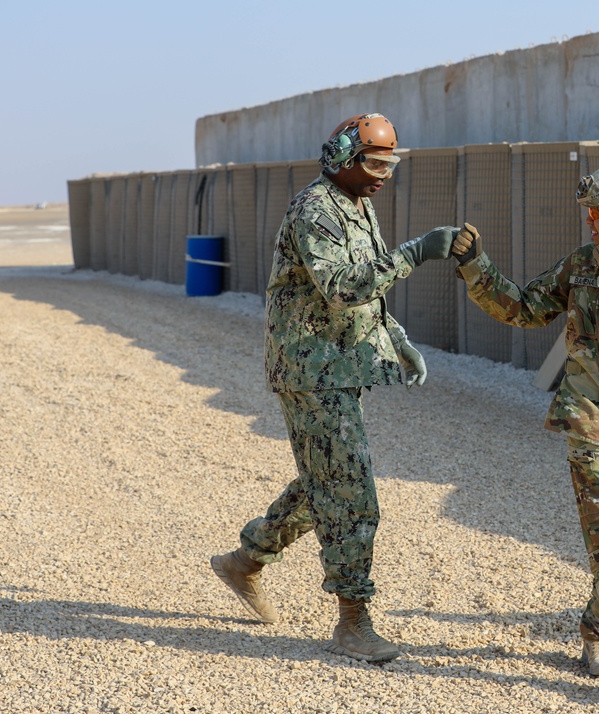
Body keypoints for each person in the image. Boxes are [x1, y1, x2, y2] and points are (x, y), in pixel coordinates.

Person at [211, 113, 458, 663]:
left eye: (390, 164)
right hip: (309, 369)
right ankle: (353, 623)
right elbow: (343, 287)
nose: (383, 175)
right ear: (341, 158)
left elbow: (367, 282)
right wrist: (418, 252)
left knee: (325, 479)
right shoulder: (315, 210)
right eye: (373, 163)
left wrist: (395, 336)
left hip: (338, 364)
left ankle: (244, 561)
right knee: (351, 493)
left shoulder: (357, 204)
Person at [450, 162, 599, 687]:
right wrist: (476, 267)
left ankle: (596, 630)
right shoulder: (580, 264)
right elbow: (523, 308)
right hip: (589, 421)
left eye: (596, 211)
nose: (588, 220)